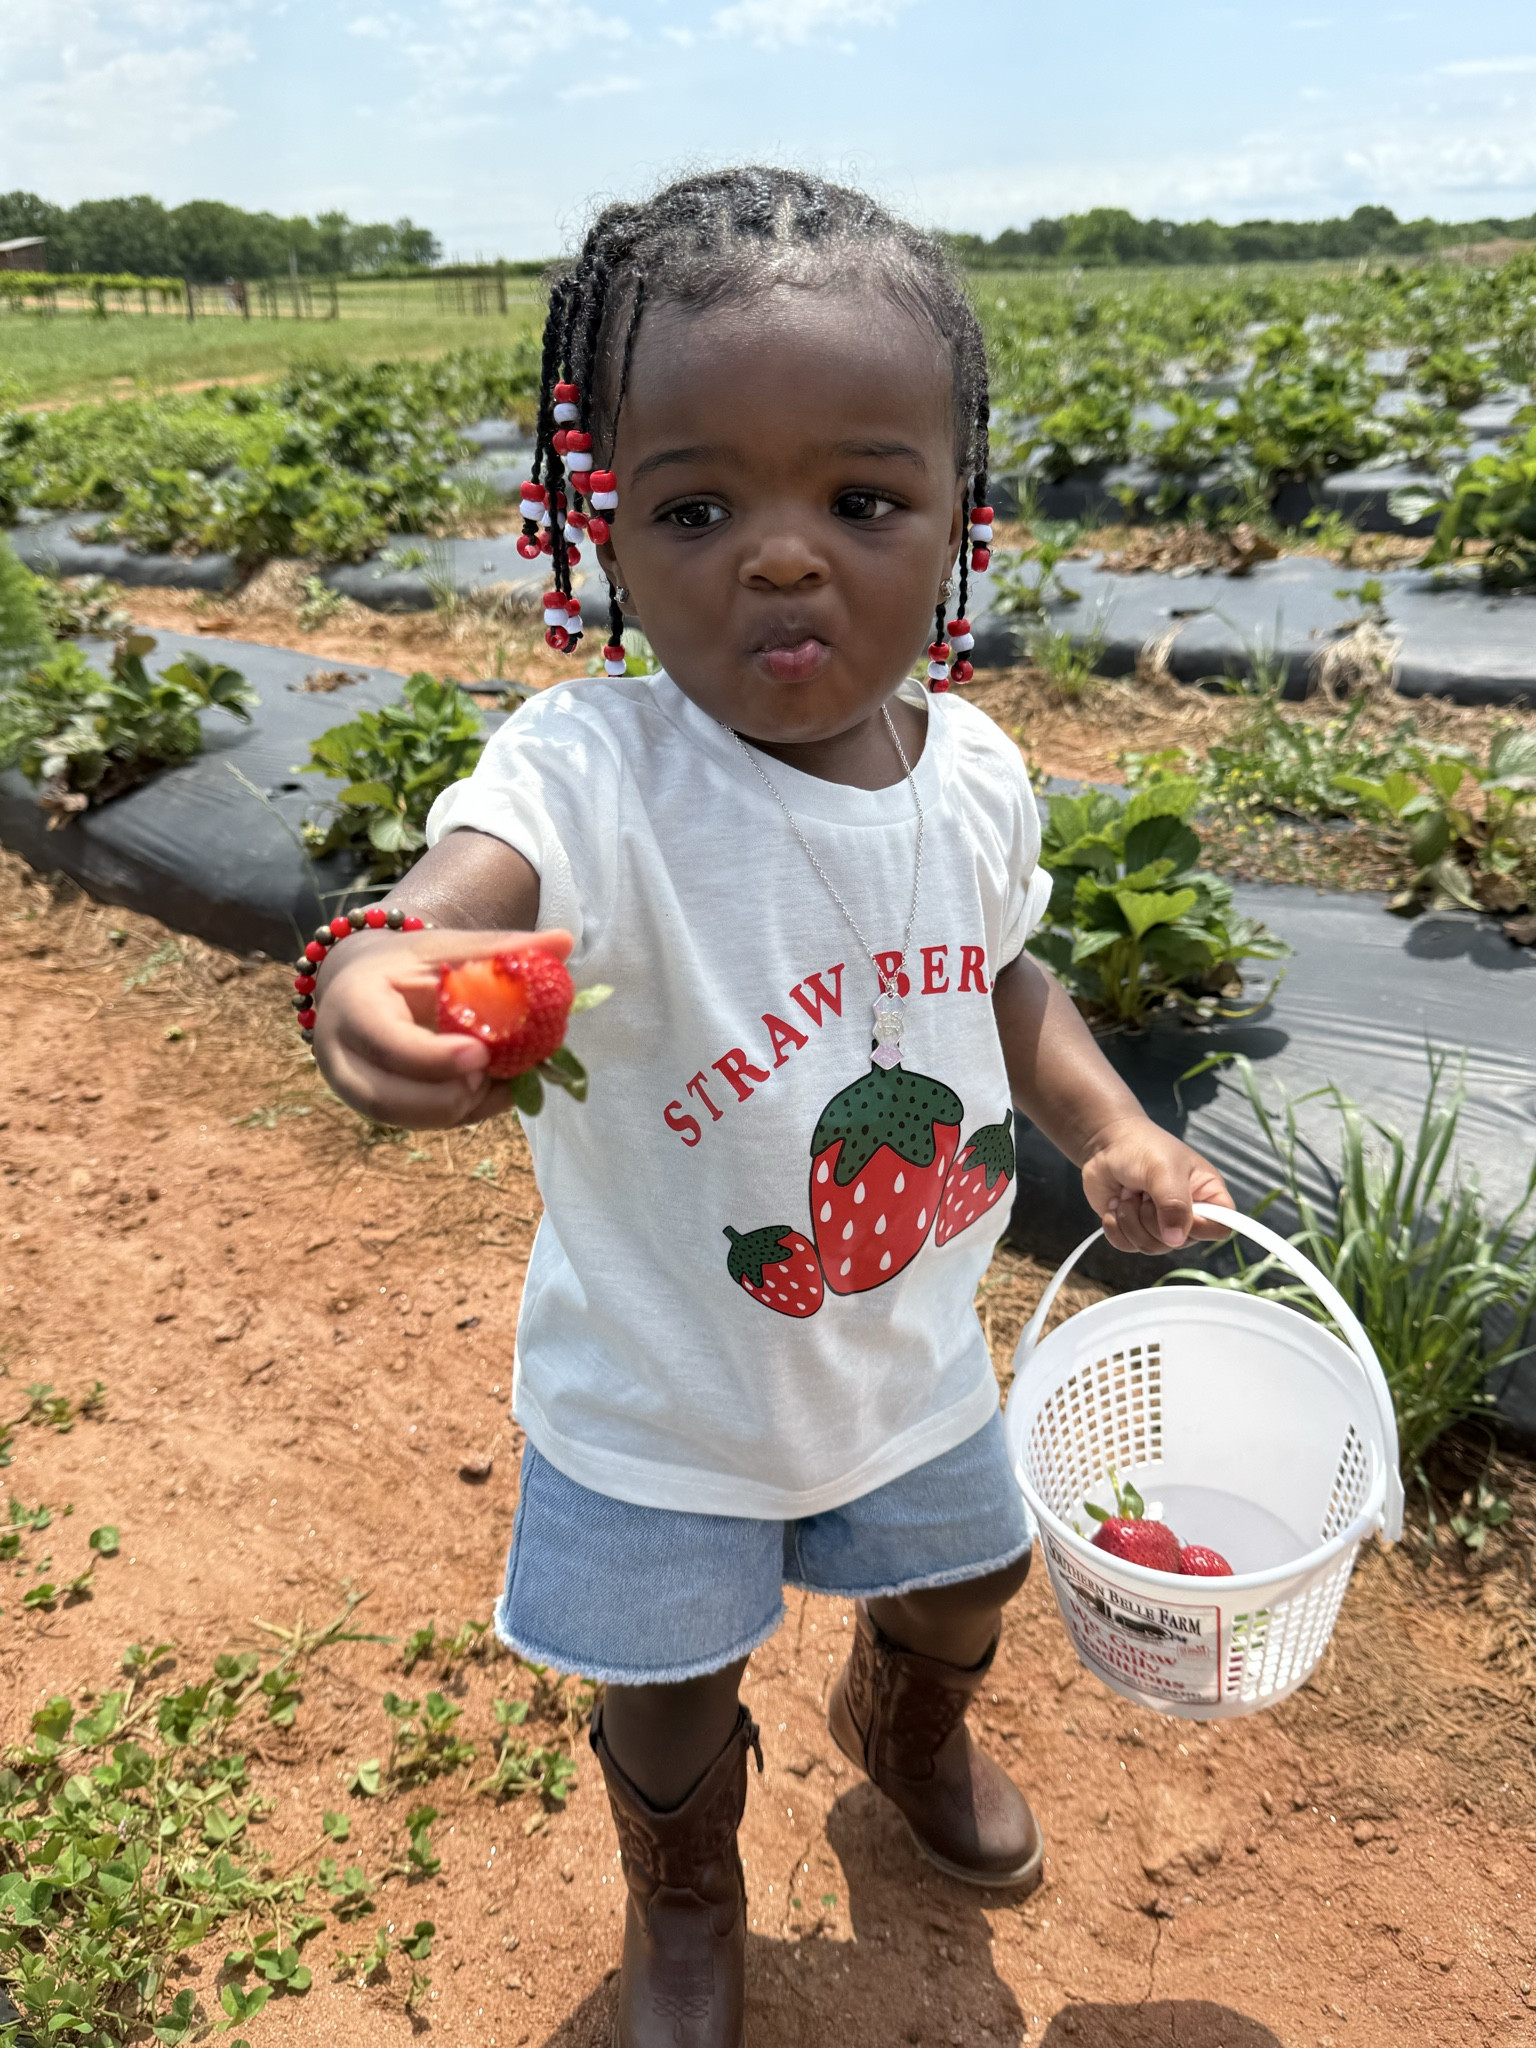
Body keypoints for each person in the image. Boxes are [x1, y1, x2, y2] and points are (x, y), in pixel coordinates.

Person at [312, 167, 1233, 2048]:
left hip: (904, 1356)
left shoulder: (972, 773)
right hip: (666, 1387)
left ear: (959, 528)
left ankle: (907, 1720)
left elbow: (1003, 979)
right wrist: (373, 969)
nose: (783, 555)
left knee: (972, 1569)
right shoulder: (592, 769)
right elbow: (456, 896)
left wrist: (1112, 1129)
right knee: (661, 1682)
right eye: (701, 506)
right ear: (607, 535)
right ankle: (686, 1881)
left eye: (861, 499)